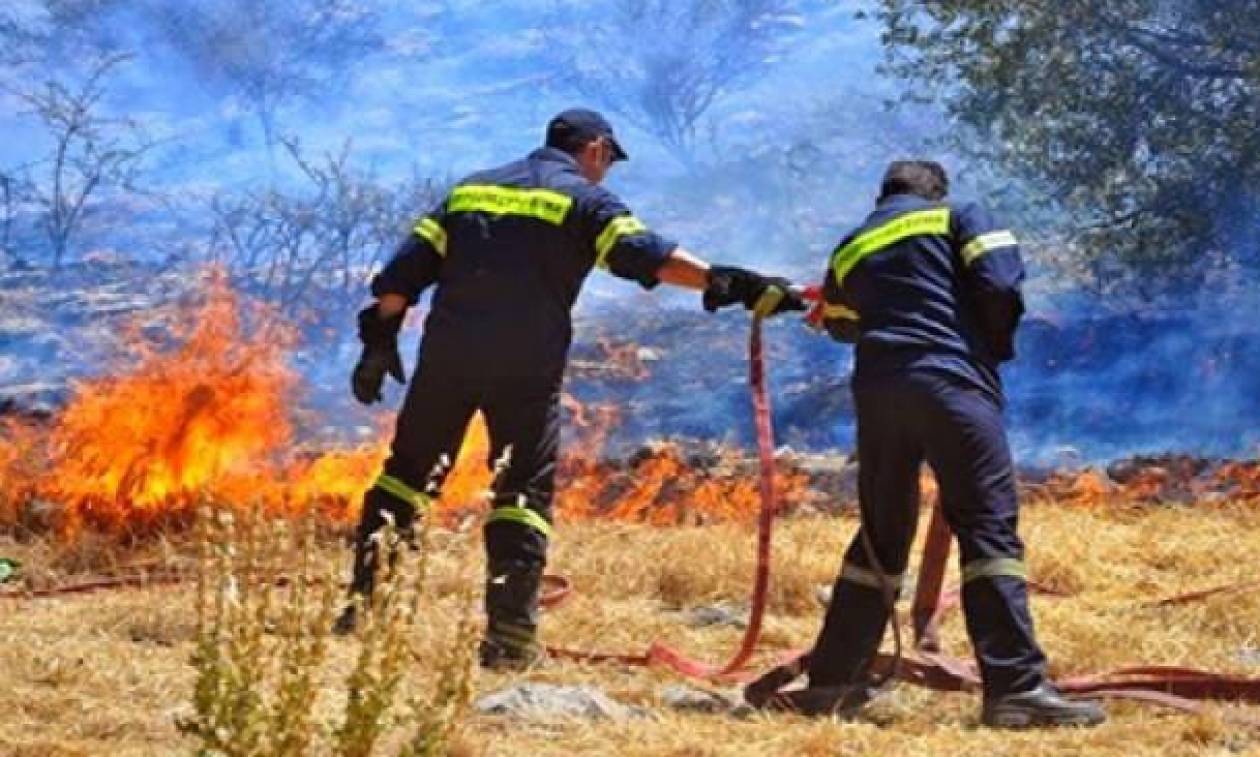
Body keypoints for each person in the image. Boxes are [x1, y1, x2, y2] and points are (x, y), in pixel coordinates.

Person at [334, 107, 805, 670]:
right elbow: (647, 256)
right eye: (608, 161)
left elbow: (404, 273)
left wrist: (379, 340)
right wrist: (731, 281)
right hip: (525, 367)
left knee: (406, 478)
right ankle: (509, 638)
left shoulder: (471, 191)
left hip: (449, 358)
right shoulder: (585, 199)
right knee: (521, 496)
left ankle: (364, 609)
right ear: (597, 149)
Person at [806, 160, 1105, 727]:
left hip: (878, 392)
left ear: (883, 195)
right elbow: (999, 282)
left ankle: (833, 681)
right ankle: (1016, 688)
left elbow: (841, 322)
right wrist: (988, 349)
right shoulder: (960, 215)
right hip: (951, 384)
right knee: (988, 527)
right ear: (935, 191)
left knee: (881, 536)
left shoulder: (852, 242)